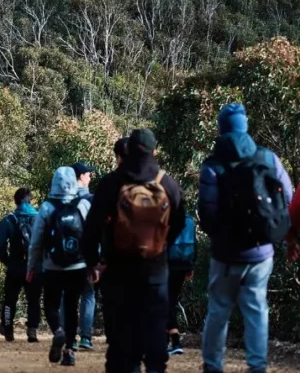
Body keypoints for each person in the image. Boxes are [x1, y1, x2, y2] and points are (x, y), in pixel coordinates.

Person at [198, 103, 293, 373]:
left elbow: (207, 213)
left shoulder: (212, 166)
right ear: (246, 127)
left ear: (221, 129)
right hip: (261, 252)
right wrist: (284, 235)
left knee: (218, 311)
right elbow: (288, 196)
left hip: (226, 255)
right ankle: (257, 367)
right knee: (256, 310)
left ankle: (213, 366)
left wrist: (222, 236)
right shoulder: (268, 158)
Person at [83, 128, 185, 373]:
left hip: (118, 271)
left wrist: (93, 261)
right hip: (155, 271)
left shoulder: (113, 182)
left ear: (127, 151)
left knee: (121, 340)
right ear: (154, 151)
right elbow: (180, 221)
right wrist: (160, 244)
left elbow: (92, 227)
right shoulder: (167, 184)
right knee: (154, 332)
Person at [28, 167, 91, 367]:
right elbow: (91, 237)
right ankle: (69, 351)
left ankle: (59, 331)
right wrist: (94, 264)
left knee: (51, 304)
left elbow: (36, 241)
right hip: (78, 265)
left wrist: (31, 267)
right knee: (72, 306)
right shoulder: (83, 205)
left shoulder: (47, 207)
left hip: (52, 265)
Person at [0, 187, 44, 343]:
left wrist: (7, 261)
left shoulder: (9, 220)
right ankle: (32, 330)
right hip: (35, 267)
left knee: (10, 299)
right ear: (30, 200)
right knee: (34, 300)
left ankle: (8, 328)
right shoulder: (39, 218)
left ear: (15, 201)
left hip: (15, 266)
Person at [70, 162, 98, 352]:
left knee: (68, 295)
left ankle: (70, 338)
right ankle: (86, 338)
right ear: (81, 176)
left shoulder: (63, 198)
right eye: (89, 174)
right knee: (88, 294)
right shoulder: (92, 200)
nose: (90, 177)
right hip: (87, 254)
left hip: (66, 255)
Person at [166, 213, 197, 356]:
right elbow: (193, 244)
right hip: (183, 264)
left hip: (167, 264)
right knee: (170, 300)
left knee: (166, 302)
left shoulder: (164, 216)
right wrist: (191, 266)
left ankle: (175, 340)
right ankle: (166, 341)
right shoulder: (189, 220)